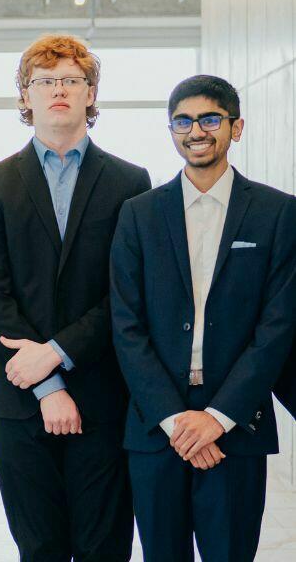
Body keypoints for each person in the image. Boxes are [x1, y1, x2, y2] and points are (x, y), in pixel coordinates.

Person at [0, 34, 151, 561]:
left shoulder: (130, 182)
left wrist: (59, 352)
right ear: (25, 97)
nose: (58, 90)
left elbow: (127, 293)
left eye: (71, 80)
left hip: (103, 397)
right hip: (21, 400)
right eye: (44, 82)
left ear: (91, 94)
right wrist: (47, 383)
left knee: (104, 548)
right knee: (39, 548)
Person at [110, 74, 296, 562]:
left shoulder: (278, 214)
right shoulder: (138, 215)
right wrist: (177, 422)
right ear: (171, 130)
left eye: (210, 118)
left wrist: (216, 418)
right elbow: (126, 326)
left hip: (238, 419)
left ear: (235, 128)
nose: (196, 131)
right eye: (183, 121)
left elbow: (277, 327)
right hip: (157, 425)